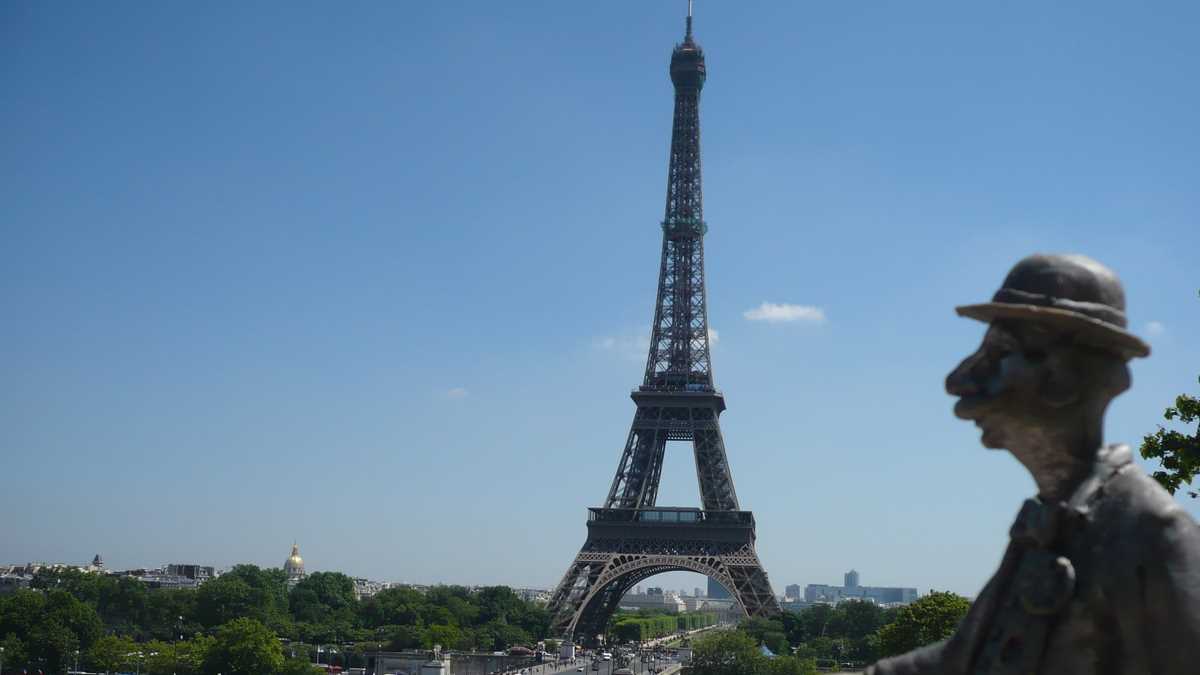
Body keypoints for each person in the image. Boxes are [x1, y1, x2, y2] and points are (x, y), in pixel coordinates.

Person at [866, 254, 1200, 674]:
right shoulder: (1048, 524)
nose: (960, 380)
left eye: (997, 354)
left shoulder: (1150, 534)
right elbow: (961, 659)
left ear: (1061, 375)